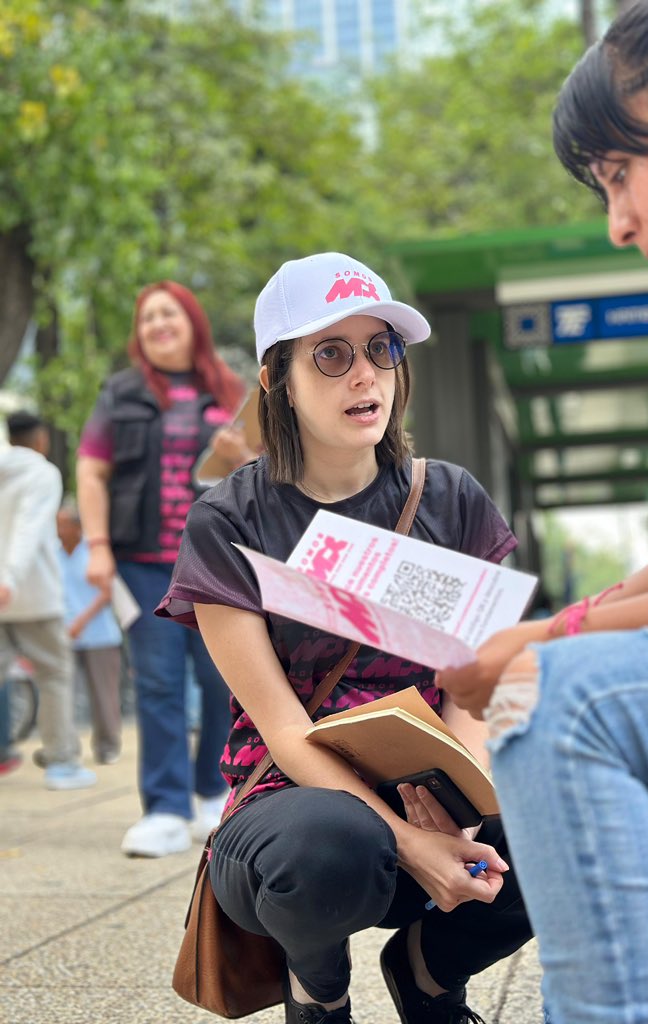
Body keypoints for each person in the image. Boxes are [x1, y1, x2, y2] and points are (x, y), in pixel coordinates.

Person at [438, 2, 648, 1022]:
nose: (617, 222)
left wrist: (561, 637)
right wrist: (546, 632)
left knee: (562, 703)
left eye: (620, 171)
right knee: (552, 680)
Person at [157, 252, 534, 1024]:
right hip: (291, 813)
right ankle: (318, 990)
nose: (365, 374)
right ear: (276, 378)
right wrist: (405, 839)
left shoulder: (452, 499)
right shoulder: (229, 520)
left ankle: (430, 973)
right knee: (335, 841)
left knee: (578, 808)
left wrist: (459, 803)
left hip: (435, 788)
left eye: (381, 348)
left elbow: (475, 687)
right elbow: (287, 731)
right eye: (331, 354)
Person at [76, 281, 256, 858]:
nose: (158, 324)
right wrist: (98, 546)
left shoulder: (230, 391)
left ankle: (210, 795)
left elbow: (268, 475)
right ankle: (164, 808)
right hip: (142, 563)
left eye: (169, 314)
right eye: (148, 317)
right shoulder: (120, 394)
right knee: (156, 683)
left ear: (192, 323)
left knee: (220, 682)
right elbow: (91, 471)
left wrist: (241, 458)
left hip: (218, 564)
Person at [0, 411, 96, 790]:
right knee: (54, 674)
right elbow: (31, 526)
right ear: (39, 439)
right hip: (32, 593)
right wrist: (9, 578)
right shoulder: (42, 473)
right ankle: (61, 763)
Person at [56, 496, 123, 765]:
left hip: (99, 635)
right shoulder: (52, 551)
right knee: (63, 694)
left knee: (103, 695)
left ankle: (107, 747)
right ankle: (66, 749)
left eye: (62, 525)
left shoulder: (92, 552)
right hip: (64, 635)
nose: (58, 530)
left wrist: (81, 621)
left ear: (77, 527)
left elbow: (107, 592)